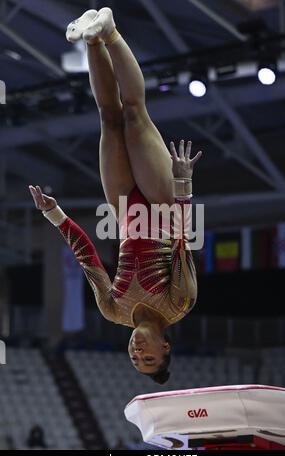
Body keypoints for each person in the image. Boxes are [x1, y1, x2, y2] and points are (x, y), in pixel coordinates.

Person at [29, 7, 202, 384]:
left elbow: (87, 259)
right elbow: (182, 243)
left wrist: (55, 216)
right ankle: (110, 31)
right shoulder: (180, 303)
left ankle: (92, 38)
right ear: (165, 348)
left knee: (109, 117)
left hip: (124, 208)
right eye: (148, 358)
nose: (137, 353)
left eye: (136, 360)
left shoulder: (112, 310)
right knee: (135, 113)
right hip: (160, 203)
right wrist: (182, 184)